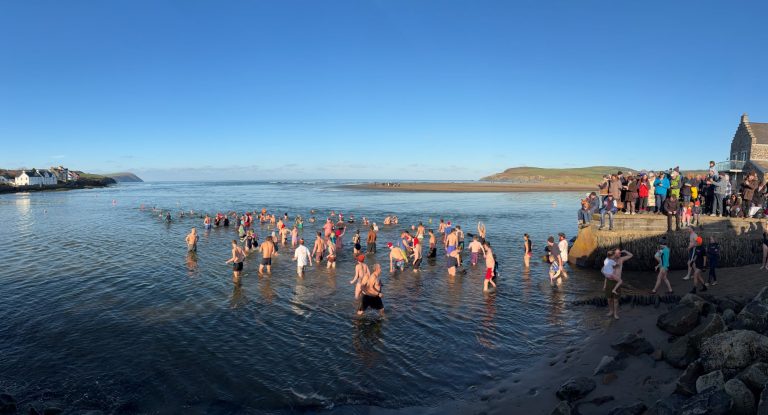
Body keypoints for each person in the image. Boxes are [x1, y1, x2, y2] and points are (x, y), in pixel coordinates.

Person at [602, 249, 633, 320]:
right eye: (618, 253)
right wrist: (604, 285)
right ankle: (611, 311)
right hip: (609, 281)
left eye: (620, 253)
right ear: (614, 254)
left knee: (616, 300)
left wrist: (625, 251)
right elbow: (605, 272)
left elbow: (631, 255)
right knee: (609, 299)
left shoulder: (621, 259)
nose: (620, 254)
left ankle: (615, 313)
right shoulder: (608, 261)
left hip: (617, 282)